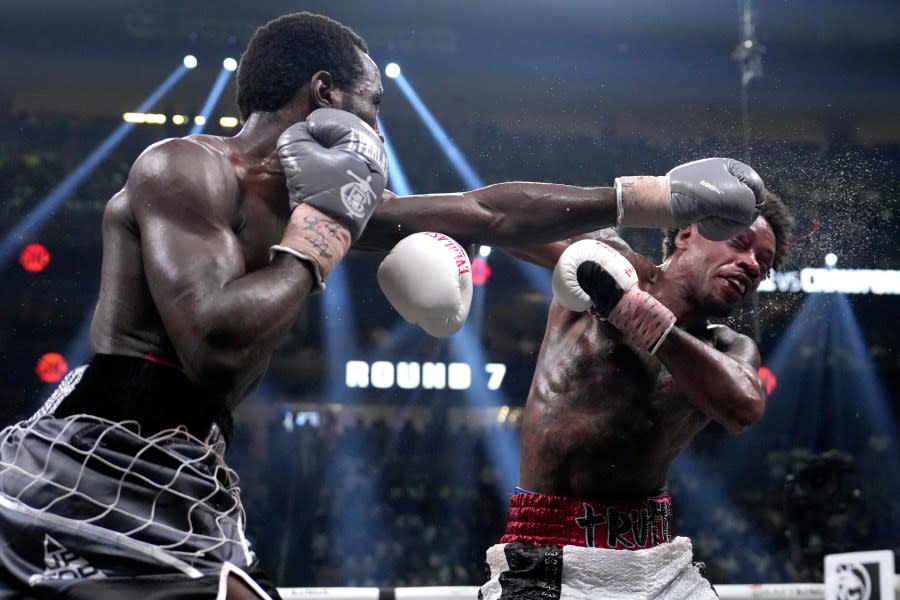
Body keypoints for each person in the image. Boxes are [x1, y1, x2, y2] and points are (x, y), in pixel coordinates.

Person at [0, 10, 772, 600]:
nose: (377, 129)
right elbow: (213, 342)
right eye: (371, 107)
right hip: (102, 454)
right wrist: (323, 231)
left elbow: (488, 213)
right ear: (325, 97)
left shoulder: (314, 195)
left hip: (192, 460)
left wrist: (653, 195)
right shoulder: (183, 167)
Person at [478, 186, 794, 599]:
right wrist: (404, 217)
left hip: (659, 558)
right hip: (553, 554)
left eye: (763, 263)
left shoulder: (730, 348)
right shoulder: (611, 261)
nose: (751, 264)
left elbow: (744, 406)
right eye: (739, 243)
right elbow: (507, 224)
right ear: (685, 234)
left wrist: (642, 317)